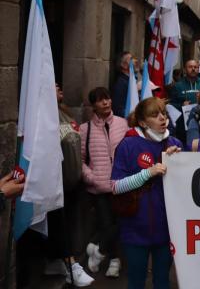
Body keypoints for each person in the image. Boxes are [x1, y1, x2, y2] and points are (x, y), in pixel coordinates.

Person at [111, 97, 182, 289]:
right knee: (136, 281)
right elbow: (115, 186)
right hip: (135, 228)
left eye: (163, 113)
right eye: (154, 114)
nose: (162, 118)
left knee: (162, 281)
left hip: (166, 228)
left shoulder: (174, 143)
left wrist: (179, 161)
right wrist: (147, 173)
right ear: (142, 122)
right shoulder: (128, 145)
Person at [42, 84, 94, 287]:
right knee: (58, 223)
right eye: (53, 85)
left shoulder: (65, 112)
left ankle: (54, 261)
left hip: (72, 181)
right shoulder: (43, 116)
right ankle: (71, 265)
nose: (58, 86)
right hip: (55, 181)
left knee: (67, 222)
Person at [79, 87, 128, 278]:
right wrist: (91, 177)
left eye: (107, 98)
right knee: (107, 225)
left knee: (120, 224)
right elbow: (81, 160)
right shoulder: (85, 129)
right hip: (99, 187)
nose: (106, 103)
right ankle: (114, 260)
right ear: (94, 106)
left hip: (121, 185)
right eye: (101, 100)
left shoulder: (122, 124)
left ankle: (98, 251)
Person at [111, 51, 132, 117]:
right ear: (123, 65)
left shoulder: (130, 81)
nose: (136, 61)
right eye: (131, 60)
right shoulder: (121, 83)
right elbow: (118, 109)